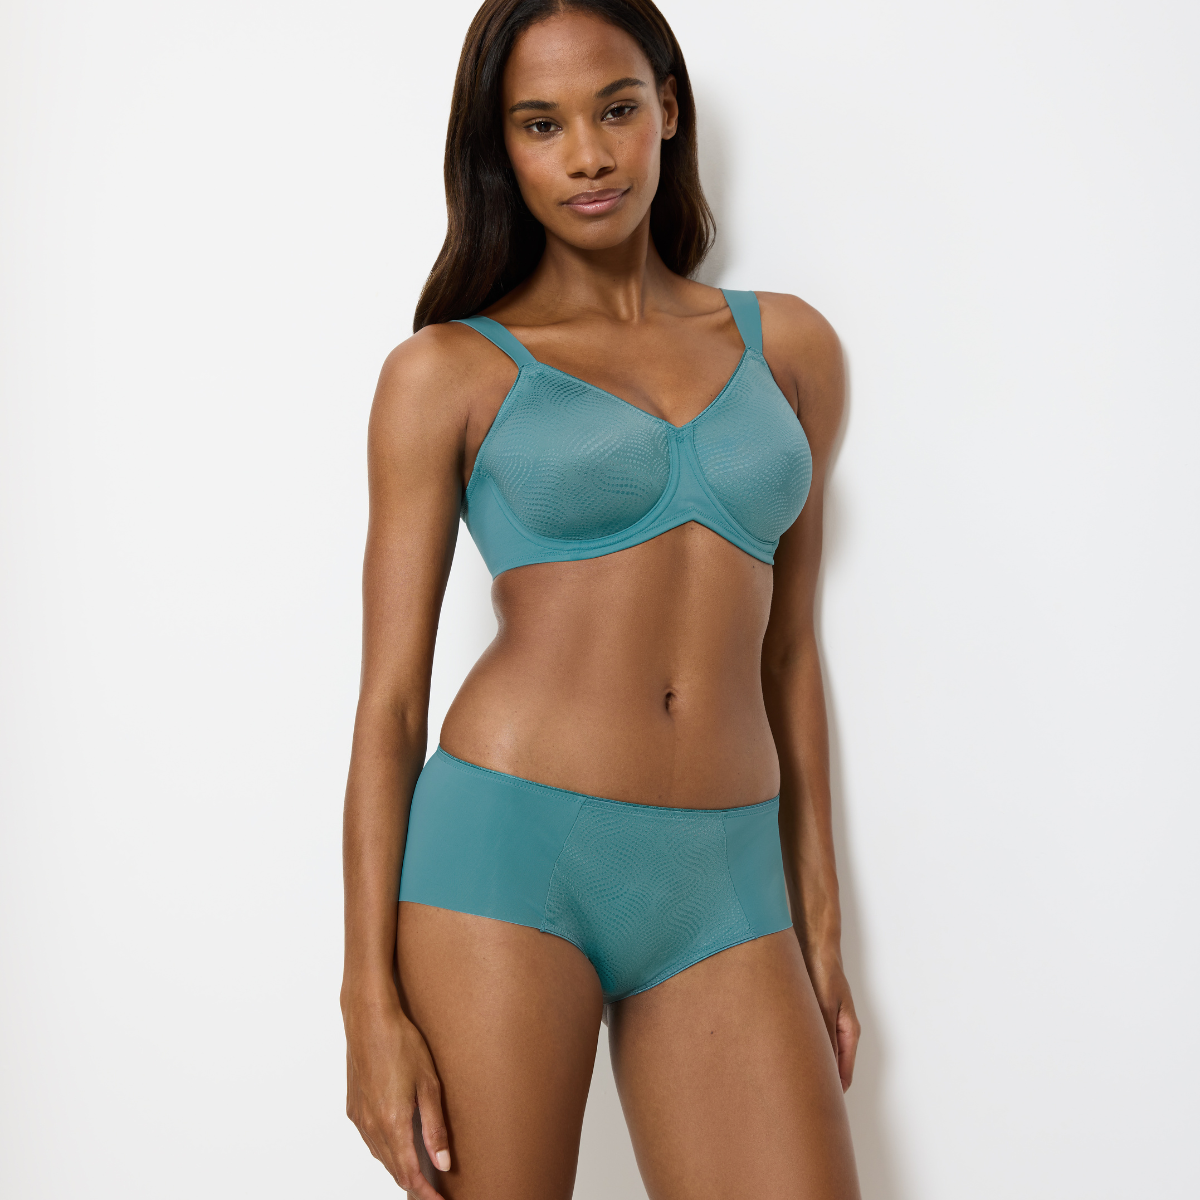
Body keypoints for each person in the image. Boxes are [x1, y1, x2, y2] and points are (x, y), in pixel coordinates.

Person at [340, 1, 861, 1196]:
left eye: (616, 109)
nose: (587, 155)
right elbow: (389, 709)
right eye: (542, 124)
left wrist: (820, 921)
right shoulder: (445, 373)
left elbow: (789, 654)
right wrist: (366, 999)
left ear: (667, 108)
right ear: (501, 147)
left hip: (727, 882)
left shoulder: (791, 350)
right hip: (508, 859)